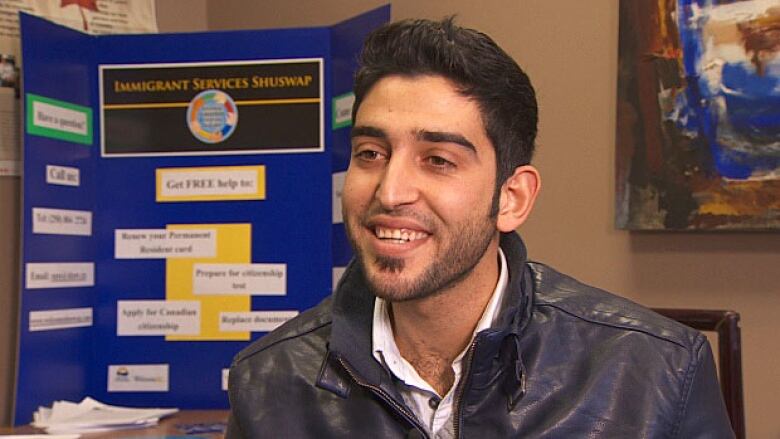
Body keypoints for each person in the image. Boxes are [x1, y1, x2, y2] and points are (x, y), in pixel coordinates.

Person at [226, 17, 734, 439]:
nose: (389, 191)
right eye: (371, 154)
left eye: (438, 160)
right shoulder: (271, 382)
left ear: (511, 199)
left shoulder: (656, 374)